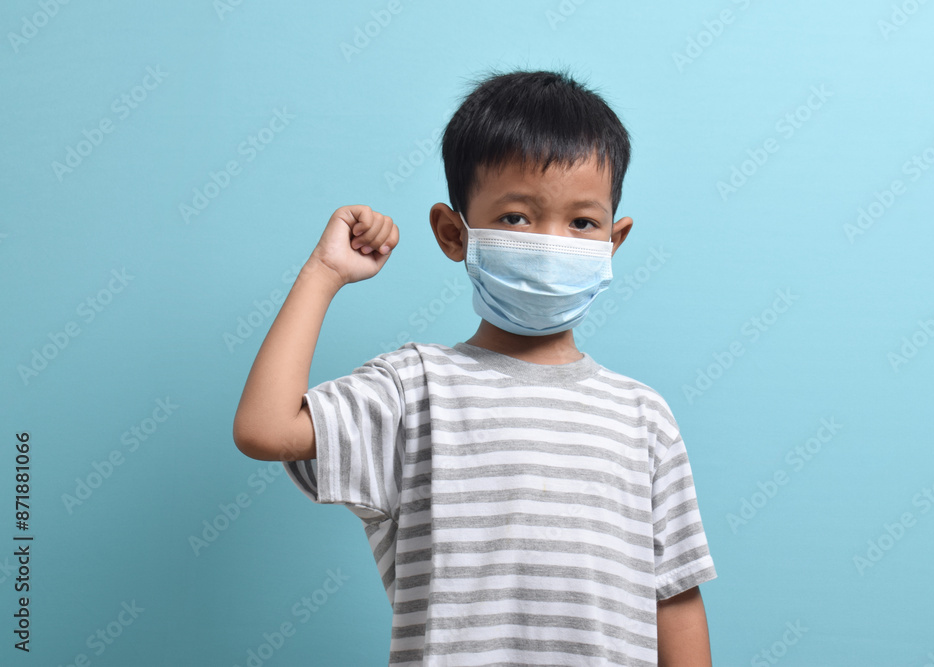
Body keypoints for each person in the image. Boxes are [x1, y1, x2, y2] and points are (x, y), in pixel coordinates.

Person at [233, 68, 717, 666]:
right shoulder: (413, 392)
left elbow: (675, 596)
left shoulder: (644, 417)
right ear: (452, 234)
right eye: (516, 217)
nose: (550, 241)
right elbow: (264, 428)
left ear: (613, 242)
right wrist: (324, 275)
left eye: (582, 223)